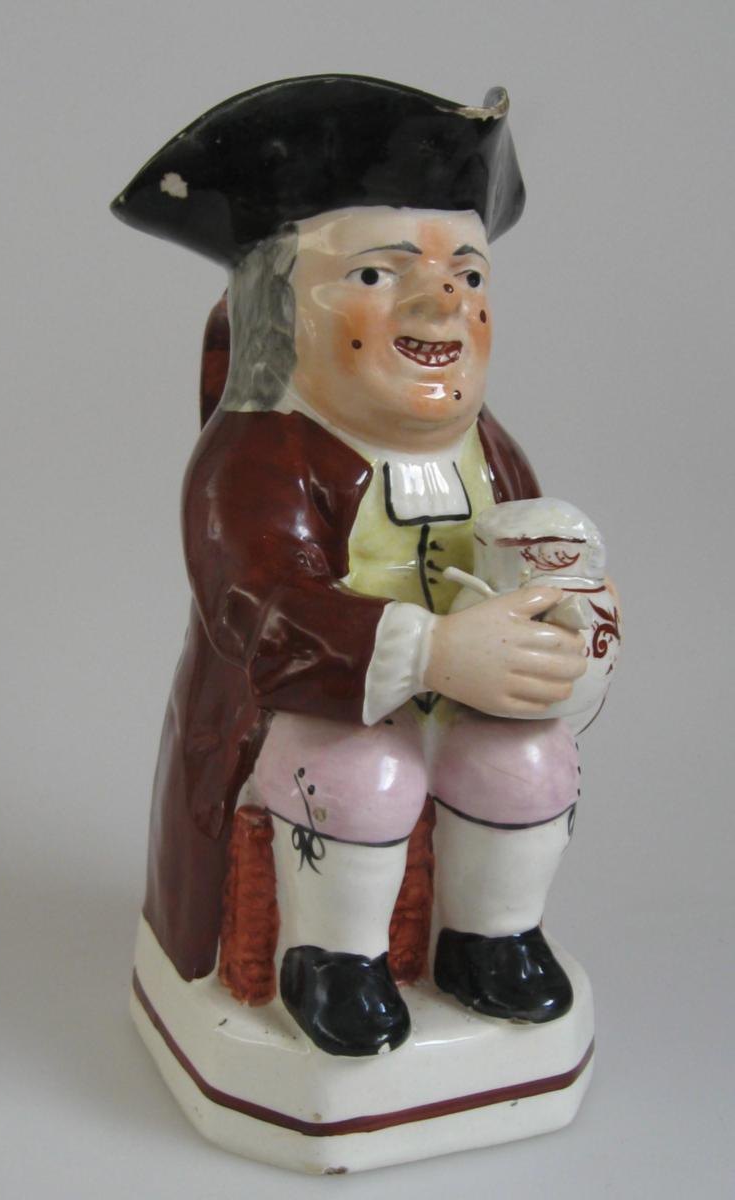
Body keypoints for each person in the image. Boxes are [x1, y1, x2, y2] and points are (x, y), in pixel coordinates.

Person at [112, 75, 595, 1059]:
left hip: (457, 707)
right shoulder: (257, 458)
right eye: (376, 274)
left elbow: (535, 559)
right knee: (362, 772)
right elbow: (261, 608)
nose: (442, 301)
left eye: (469, 276)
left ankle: (490, 940)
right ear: (278, 316)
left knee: (530, 759)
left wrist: (569, 625)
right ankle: (332, 959)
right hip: (305, 717)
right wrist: (430, 653)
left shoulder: (487, 451)